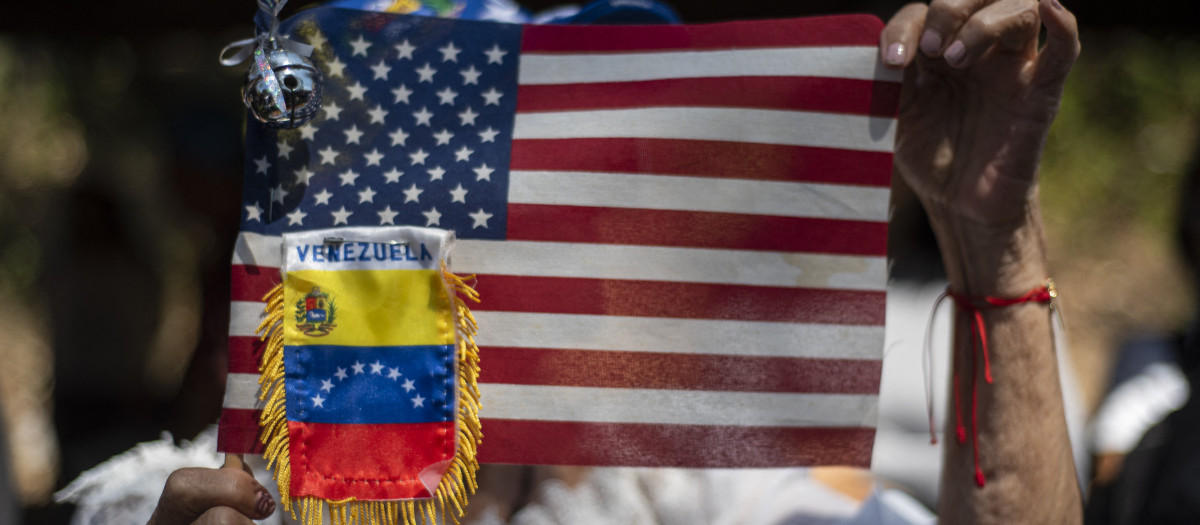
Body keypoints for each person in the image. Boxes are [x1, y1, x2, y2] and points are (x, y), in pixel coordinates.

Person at [132, 0, 1083, 522]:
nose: (509, 241)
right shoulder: (199, 505)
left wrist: (990, 236)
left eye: (583, 186)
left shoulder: (709, 500)